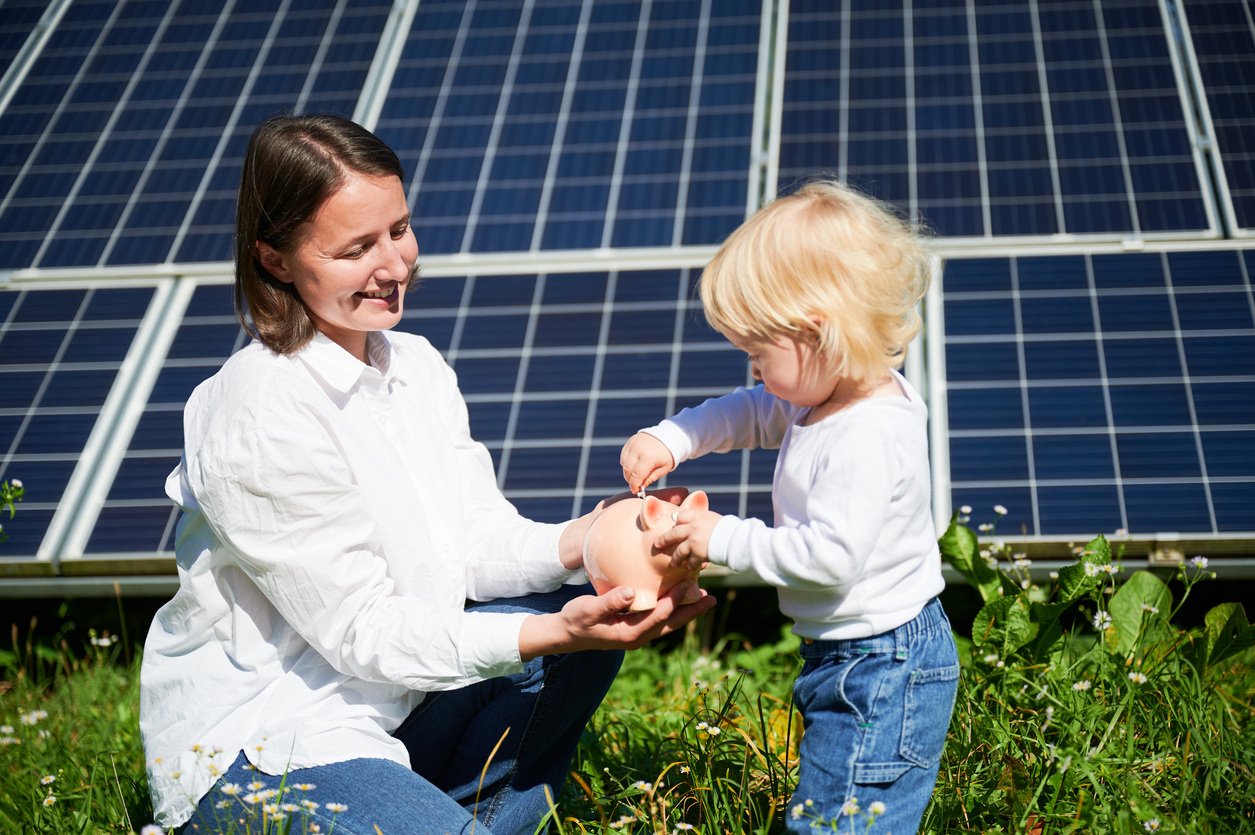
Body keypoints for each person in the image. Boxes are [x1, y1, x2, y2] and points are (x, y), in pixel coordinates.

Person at [139, 114, 715, 835]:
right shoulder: (255, 410)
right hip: (272, 743)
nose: (395, 265)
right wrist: (552, 629)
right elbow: (362, 633)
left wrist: (597, 538)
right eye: (357, 248)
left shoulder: (413, 365)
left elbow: (470, 542)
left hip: (394, 708)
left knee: (586, 618)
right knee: (557, 633)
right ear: (276, 260)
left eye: (399, 229)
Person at [619, 180, 958, 833]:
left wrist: (718, 537)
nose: (751, 371)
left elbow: (826, 559)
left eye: (755, 353)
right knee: (831, 805)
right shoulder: (829, 394)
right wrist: (674, 437)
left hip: (881, 666)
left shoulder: (862, 436)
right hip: (855, 654)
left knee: (841, 820)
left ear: (815, 335)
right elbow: (750, 411)